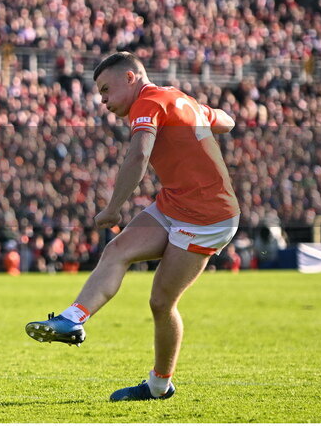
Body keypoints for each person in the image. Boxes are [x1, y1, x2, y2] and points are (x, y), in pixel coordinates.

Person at [25, 52, 240, 402]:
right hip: (175, 202)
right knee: (117, 251)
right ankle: (72, 318)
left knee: (161, 302)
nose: (104, 100)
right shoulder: (175, 98)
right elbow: (227, 121)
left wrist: (112, 209)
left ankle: (158, 386)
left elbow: (138, 156)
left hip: (207, 216)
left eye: (106, 90)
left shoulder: (148, 102)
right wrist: (204, 116)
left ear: (131, 78)